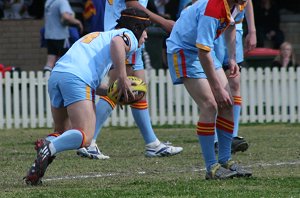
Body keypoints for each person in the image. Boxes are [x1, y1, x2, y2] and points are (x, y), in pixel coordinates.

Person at [23, 7, 151, 186]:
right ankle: (49, 148)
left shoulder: (98, 37)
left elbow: (92, 83)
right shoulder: (126, 35)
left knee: (62, 131)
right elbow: (117, 43)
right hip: (76, 77)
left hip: (57, 75)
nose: (146, 35)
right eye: (145, 30)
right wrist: (122, 78)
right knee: (86, 137)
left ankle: (41, 159)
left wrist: (114, 93)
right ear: (137, 27)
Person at [76, 0, 183, 159]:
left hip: (131, 32)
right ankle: (88, 142)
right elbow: (132, 4)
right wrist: (163, 22)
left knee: (138, 90)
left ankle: (152, 144)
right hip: (127, 34)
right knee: (116, 90)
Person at [166, 0, 252, 179]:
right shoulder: (213, 7)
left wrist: (232, 58)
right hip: (184, 50)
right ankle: (211, 168)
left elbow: (231, 26)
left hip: (203, 50)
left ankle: (225, 160)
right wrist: (216, 88)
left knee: (227, 102)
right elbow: (202, 52)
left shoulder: (239, 4)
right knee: (210, 105)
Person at [213, 0, 257, 154]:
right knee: (217, 85)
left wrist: (252, 30)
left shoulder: (240, 4)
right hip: (216, 30)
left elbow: (246, 2)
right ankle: (217, 139)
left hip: (234, 30)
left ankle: (232, 134)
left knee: (234, 82)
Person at [43, 0, 83, 72]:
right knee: (64, 60)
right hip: (60, 35)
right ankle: (62, 79)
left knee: (50, 61)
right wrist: (77, 22)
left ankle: (46, 78)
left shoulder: (48, 1)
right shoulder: (62, 1)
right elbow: (66, 17)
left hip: (49, 35)